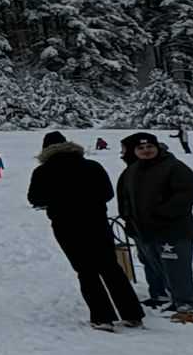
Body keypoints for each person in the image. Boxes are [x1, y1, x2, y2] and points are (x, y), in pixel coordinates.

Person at [28, 131, 143, 330]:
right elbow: (107, 193)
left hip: (66, 225)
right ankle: (132, 314)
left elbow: (35, 198)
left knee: (86, 271)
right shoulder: (92, 165)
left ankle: (102, 317)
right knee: (111, 267)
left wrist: (56, 201)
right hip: (96, 221)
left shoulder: (43, 171)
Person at [118, 132, 193, 322]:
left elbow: (185, 196)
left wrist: (161, 214)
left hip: (173, 230)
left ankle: (187, 304)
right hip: (142, 230)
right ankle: (160, 295)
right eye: (141, 148)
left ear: (157, 148)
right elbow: (124, 197)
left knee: (176, 268)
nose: (146, 151)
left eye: (149, 147)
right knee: (152, 265)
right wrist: (128, 217)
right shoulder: (132, 170)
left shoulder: (175, 168)